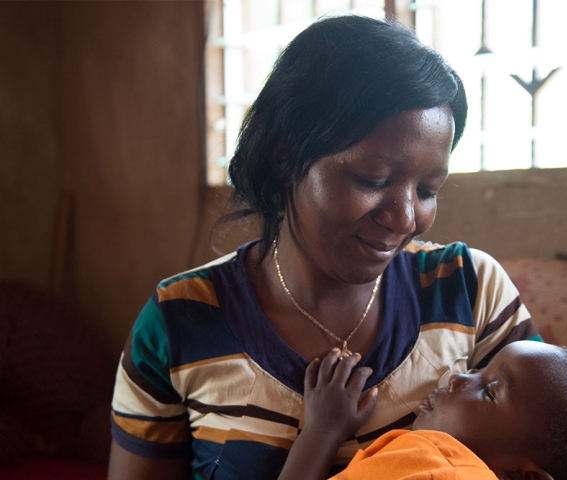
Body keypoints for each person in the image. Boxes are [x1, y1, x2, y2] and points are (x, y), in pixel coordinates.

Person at [108, 14, 540, 480]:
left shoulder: (470, 290)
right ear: (285, 158)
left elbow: (548, 449)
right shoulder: (177, 323)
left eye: (428, 190)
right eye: (373, 180)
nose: (405, 218)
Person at [279, 341, 567, 480]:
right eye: (477, 369)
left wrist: (322, 431)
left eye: (488, 391)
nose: (456, 377)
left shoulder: (438, 470)